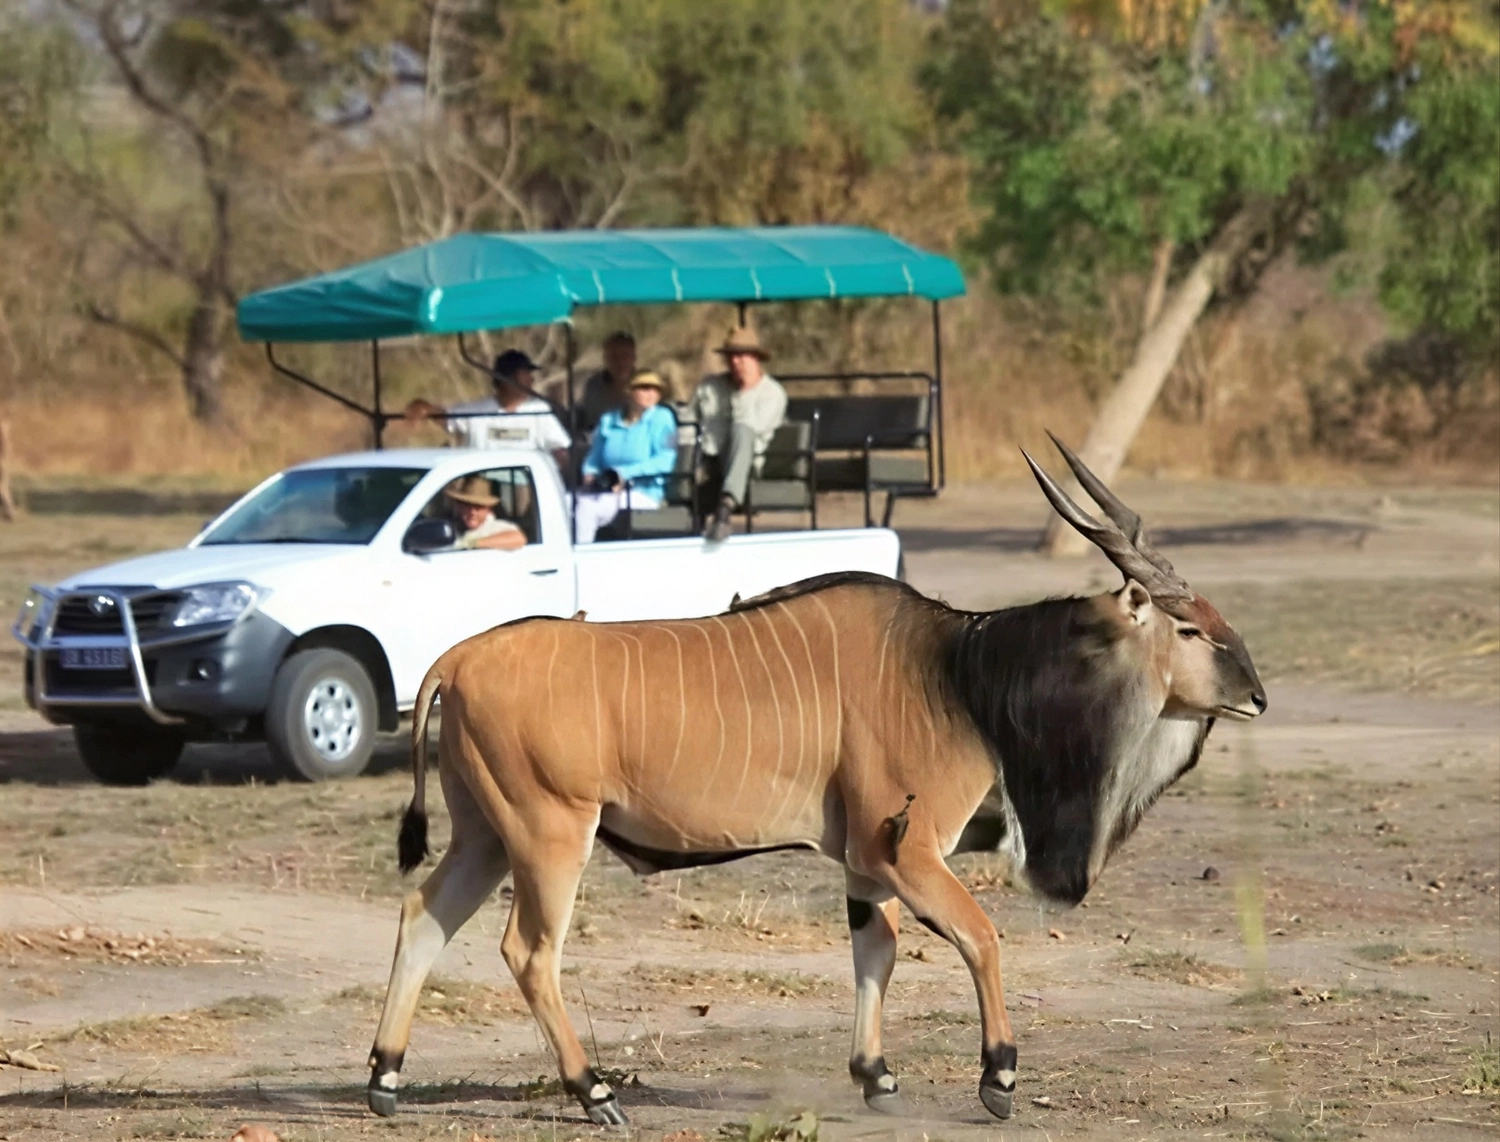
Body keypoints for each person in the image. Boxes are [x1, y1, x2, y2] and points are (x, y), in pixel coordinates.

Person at [690, 325, 787, 542]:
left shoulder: (771, 394)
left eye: (742, 356)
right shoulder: (709, 387)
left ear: (756, 359)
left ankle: (725, 507)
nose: (735, 362)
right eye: (731, 357)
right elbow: (690, 417)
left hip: (747, 462)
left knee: (742, 430)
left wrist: (742, 391)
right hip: (706, 457)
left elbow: (752, 427)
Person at [405, 349, 572, 471]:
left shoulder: (539, 410)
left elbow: (559, 447)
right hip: (483, 482)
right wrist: (423, 407)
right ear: (507, 379)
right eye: (525, 373)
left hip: (524, 483)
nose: (531, 379)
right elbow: (447, 418)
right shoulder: (478, 410)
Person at [572, 371, 679, 543]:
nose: (651, 393)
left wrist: (624, 474)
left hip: (642, 491)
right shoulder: (609, 420)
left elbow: (665, 461)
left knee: (587, 508)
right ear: (629, 391)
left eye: (656, 389)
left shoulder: (662, 418)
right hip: (604, 488)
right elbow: (594, 456)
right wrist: (589, 473)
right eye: (644, 388)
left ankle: (581, 557)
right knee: (564, 501)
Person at [577, 331, 638, 436]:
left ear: (633, 358)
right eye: (614, 357)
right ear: (605, 358)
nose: (620, 362)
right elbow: (588, 421)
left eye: (625, 356)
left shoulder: (646, 386)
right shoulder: (594, 386)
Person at [443, 475, 527, 551]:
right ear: (459, 507)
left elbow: (518, 539)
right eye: (467, 506)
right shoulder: (449, 527)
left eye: (478, 507)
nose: (472, 512)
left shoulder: (496, 527)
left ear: (488, 509)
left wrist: (472, 543)